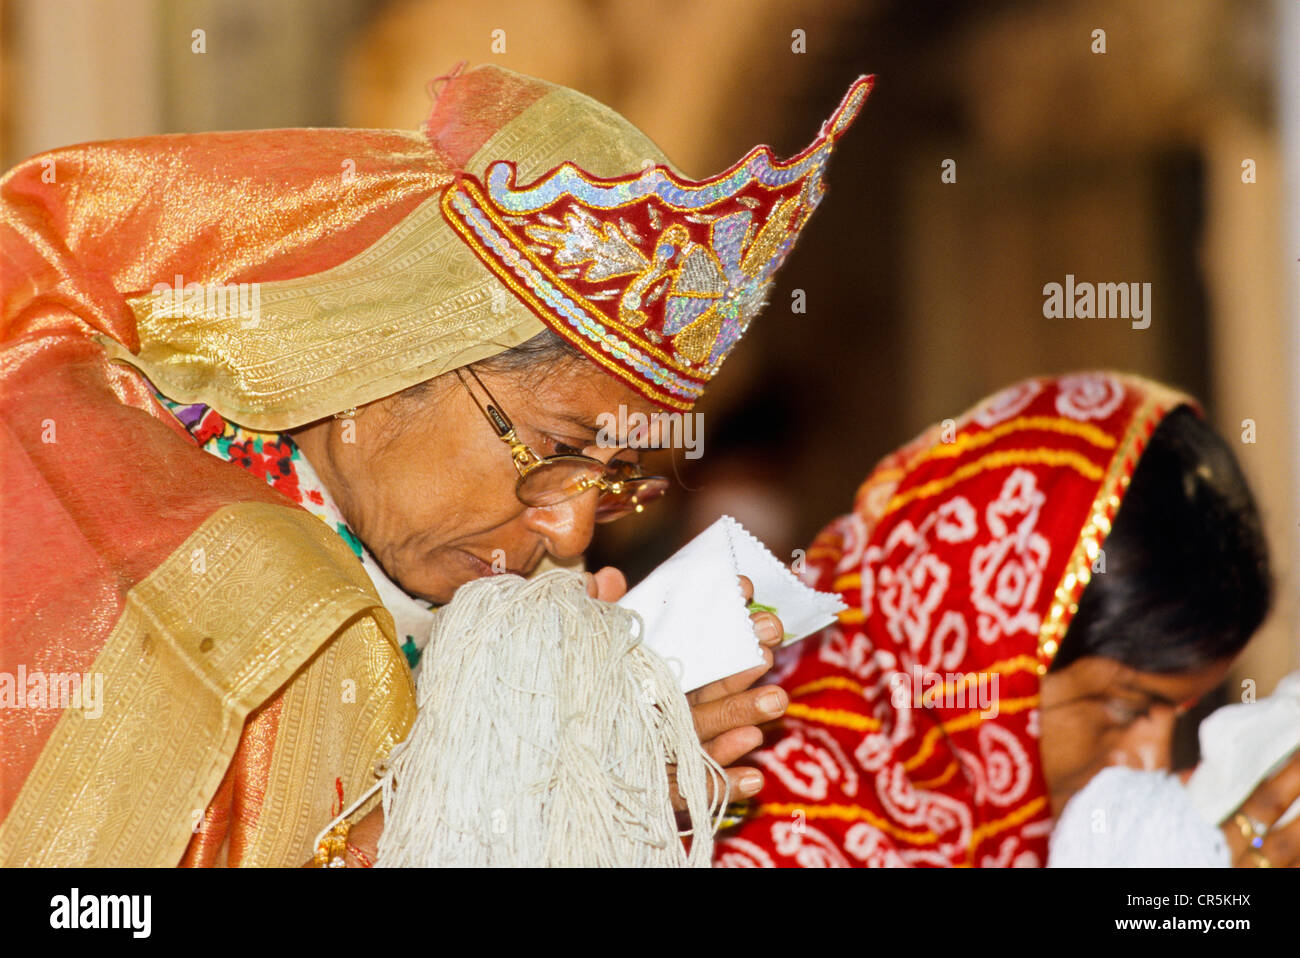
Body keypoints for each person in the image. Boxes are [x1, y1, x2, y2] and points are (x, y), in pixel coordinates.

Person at [0, 62, 872, 866]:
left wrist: (610, 800)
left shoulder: (435, 601)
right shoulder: (205, 577)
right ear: (387, 359)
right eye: (557, 451)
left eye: (612, 480)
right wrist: (473, 808)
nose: (567, 530)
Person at [713, 372, 1296, 868]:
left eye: (1181, 711)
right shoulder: (753, 792)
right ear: (991, 649)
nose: (1151, 760)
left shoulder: (1041, 827)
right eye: (1127, 707)